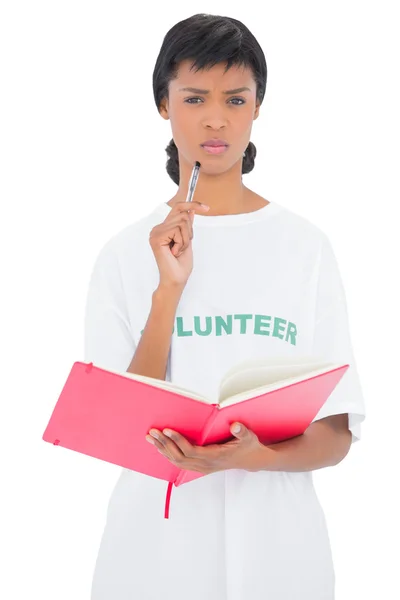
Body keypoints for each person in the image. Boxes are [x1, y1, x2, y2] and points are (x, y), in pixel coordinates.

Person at [84, 13, 366, 600]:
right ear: (163, 104)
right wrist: (169, 290)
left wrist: (254, 456)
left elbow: (337, 433)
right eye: (194, 98)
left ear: (258, 106)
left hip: (282, 561)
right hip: (153, 557)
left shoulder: (305, 246)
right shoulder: (124, 254)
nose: (216, 118)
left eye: (236, 98)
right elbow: (118, 425)